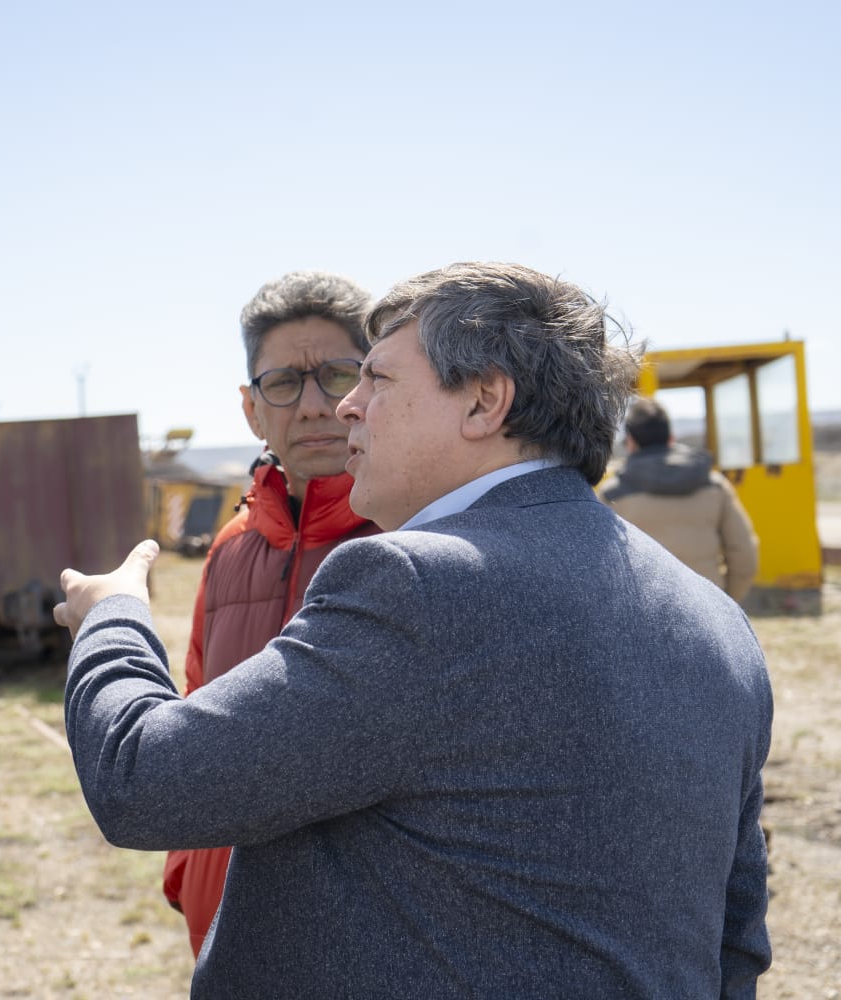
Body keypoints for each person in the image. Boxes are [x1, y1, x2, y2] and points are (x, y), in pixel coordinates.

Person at [55, 262, 773, 998]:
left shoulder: (416, 585)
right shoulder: (717, 620)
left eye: (376, 380)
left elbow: (142, 780)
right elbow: (737, 936)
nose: (346, 409)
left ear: (484, 401)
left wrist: (111, 616)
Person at [162, 271, 380, 956]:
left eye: (340, 375)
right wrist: (187, 870)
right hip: (225, 927)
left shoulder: (410, 540)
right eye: (284, 382)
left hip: (365, 945)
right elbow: (196, 709)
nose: (314, 406)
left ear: (373, 389)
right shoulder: (228, 550)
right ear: (252, 409)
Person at [602, 396, 759, 603]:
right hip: (710, 607)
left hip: (645, 613)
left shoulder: (612, 495)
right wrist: (726, 603)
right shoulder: (715, 485)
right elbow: (744, 555)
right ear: (671, 438)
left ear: (630, 442)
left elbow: (602, 566)